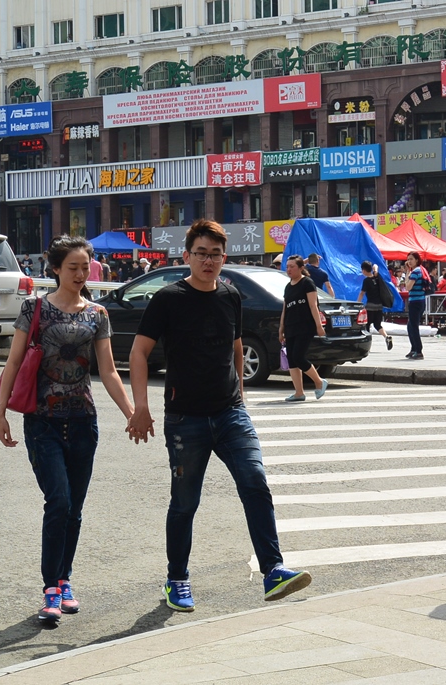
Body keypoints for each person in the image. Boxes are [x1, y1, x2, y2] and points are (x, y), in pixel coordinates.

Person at [126, 219, 312, 611]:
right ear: (187, 256)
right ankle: (176, 578)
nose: (209, 261)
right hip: (185, 419)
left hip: (230, 414)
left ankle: (273, 570)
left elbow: (236, 345)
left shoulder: (230, 295)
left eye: (215, 255)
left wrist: (240, 396)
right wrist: (140, 406)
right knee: (185, 503)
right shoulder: (168, 299)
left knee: (255, 481)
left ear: (224, 258)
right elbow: (139, 352)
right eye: (201, 253)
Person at [0, 236, 134, 622]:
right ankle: (51, 588)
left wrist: (131, 412)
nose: (79, 273)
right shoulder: (35, 309)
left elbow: (107, 370)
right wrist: (1, 411)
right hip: (42, 421)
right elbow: (14, 362)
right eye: (71, 266)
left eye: (84, 266)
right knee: (58, 501)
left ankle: (64, 580)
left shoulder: (98, 314)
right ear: (55, 269)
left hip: (83, 422)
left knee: (74, 509)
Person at [280, 255, 329, 402]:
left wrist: (319, 326)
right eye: (287, 266)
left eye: (292, 266)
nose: (289, 269)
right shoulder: (288, 286)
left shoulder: (307, 283)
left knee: (298, 357)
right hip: (290, 326)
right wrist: (281, 328)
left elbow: (313, 305)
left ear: (301, 268)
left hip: (305, 326)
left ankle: (319, 382)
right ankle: (299, 393)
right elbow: (285, 308)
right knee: (292, 360)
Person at [357, 260, 394, 351]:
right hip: (379, 306)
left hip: (370, 306)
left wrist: (358, 303)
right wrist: (376, 270)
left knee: (367, 325)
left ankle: (367, 345)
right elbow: (376, 265)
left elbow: (362, 293)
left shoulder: (366, 281)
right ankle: (386, 336)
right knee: (377, 325)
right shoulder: (377, 278)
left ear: (364, 270)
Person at [404, 251, 427, 360]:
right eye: (408, 259)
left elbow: (408, 287)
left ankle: (418, 350)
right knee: (410, 326)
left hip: (416, 302)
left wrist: (408, 274)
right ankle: (414, 348)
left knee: (413, 326)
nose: (409, 261)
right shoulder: (419, 270)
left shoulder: (416, 271)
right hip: (419, 301)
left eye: (411, 259)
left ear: (417, 260)